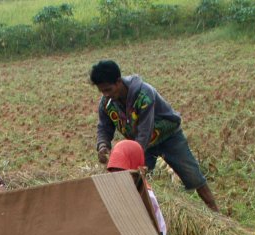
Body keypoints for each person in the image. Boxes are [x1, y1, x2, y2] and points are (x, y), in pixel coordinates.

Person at [90, 59, 219, 213]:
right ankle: (141, 218)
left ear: (118, 82)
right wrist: (103, 145)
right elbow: (104, 127)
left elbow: (145, 130)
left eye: (108, 89)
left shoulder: (144, 94)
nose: (106, 94)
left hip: (167, 137)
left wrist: (138, 159)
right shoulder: (107, 103)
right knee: (135, 182)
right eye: (102, 91)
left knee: (193, 176)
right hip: (140, 143)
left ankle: (216, 214)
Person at [107, 139, 167, 235]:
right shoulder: (110, 193)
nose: (116, 176)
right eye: (113, 171)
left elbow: (159, 229)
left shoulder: (146, 195)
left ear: (134, 169)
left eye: (121, 171)